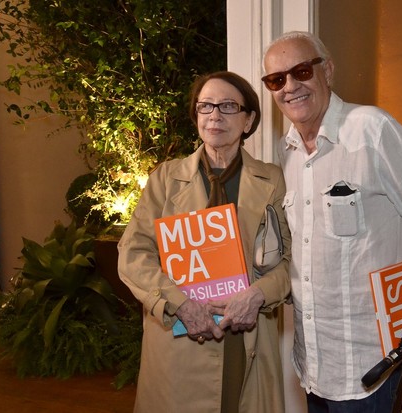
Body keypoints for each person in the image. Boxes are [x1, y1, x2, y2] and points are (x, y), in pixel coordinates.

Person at [262, 31, 402, 413]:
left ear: (328, 71)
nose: (290, 86)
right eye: (276, 79)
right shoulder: (286, 153)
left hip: (373, 361)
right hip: (314, 363)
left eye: (301, 70)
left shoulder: (372, 128)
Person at [117, 71, 291, 413]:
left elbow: (290, 261)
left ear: (248, 119)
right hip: (180, 336)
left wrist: (257, 295)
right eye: (206, 106)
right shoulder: (166, 179)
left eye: (228, 106)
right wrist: (179, 303)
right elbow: (133, 254)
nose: (215, 115)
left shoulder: (272, 180)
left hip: (247, 337)